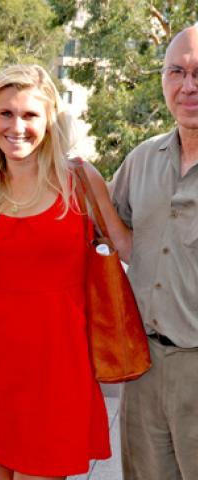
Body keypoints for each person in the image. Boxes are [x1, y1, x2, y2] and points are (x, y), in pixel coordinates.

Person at [0, 64, 131, 480]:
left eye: (29, 115)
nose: (17, 126)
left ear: (49, 120)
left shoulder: (79, 180)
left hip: (58, 360)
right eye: (5, 114)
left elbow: (127, 245)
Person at [111, 25, 198, 480]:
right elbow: (104, 228)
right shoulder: (141, 160)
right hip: (142, 365)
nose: (188, 86)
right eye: (176, 71)